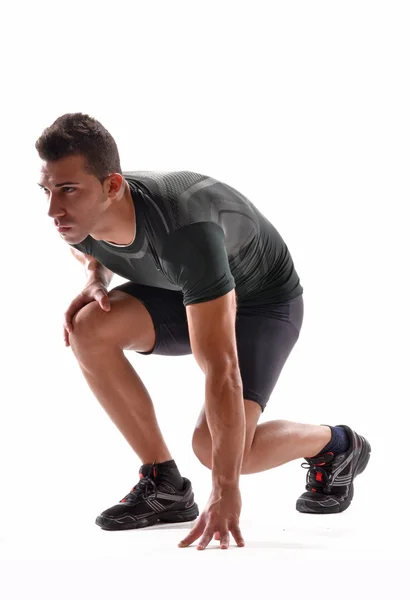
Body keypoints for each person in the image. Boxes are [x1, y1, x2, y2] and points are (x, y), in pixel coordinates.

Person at [35, 113, 371, 551]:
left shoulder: (184, 231)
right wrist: (94, 276)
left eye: (67, 190)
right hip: (183, 287)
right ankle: (164, 484)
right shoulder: (77, 214)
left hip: (260, 304)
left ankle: (336, 444)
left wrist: (225, 488)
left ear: (113, 186)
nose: (52, 209)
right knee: (88, 327)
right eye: (46, 189)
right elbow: (88, 247)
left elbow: (221, 369)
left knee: (216, 448)